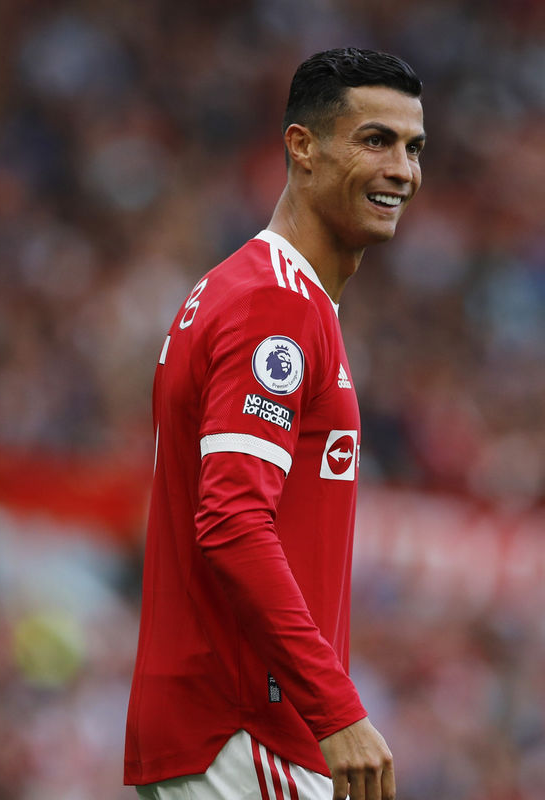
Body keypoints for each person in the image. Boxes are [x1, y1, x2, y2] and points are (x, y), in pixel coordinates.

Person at [124, 47, 425, 800]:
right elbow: (230, 520)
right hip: (248, 729)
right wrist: (335, 709)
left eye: (413, 148)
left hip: (225, 728)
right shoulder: (274, 303)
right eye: (376, 140)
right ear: (302, 147)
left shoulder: (257, 291)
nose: (402, 170)